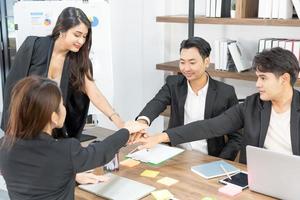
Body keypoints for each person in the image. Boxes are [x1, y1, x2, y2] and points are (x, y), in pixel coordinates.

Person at [136, 47, 300, 164]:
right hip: (256, 179)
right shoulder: (251, 105)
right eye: (257, 77)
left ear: (284, 79)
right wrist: (161, 137)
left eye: (263, 78)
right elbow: (209, 127)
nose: (257, 84)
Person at [0, 76, 147, 200]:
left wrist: (69, 175)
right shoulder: (65, 150)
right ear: (54, 117)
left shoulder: (4, 146)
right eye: (61, 105)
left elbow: (34, 172)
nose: (64, 108)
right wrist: (126, 130)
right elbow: (100, 153)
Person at [1, 7, 124, 139]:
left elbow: (93, 92)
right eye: (77, 35)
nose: (81, 41)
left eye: (84, 36)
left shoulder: (80, 61)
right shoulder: (33, 46)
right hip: (25, 124)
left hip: (54, 129)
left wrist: (117, 119)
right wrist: (12, 127)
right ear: (61, 30)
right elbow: (13, 86)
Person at [135, 37, 241, 160]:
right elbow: (157, 102)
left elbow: (237, 137)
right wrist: (142, 122)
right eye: (182, 62)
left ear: (206, 62)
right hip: (175, 154)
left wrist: (221, 162)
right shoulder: (173, 84)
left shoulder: (225, 92)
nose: (186, 68)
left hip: (208, 157)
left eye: (192, 62)